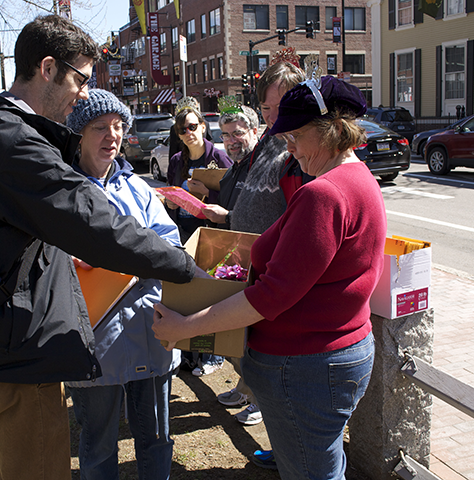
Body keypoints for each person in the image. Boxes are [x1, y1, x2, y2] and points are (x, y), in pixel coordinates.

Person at [0, 16, 200, 480]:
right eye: (79, 78)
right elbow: (95, 225)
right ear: (46, 68)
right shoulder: (12, 140)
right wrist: (187, 268)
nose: (82, 92)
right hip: (17, 351)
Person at [152, 73, 386, 480]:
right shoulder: (359, 178)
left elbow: (269, 296)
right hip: (334, 354)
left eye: (294, 135)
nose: (288, 146)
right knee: (321, 463)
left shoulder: (323, 193)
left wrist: (185, 326)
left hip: (307, 364)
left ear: (330, 130)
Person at [65, 89, 180, 480]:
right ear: (78, 134)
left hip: (151, 329)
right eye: (99, 127)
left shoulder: (139, 187)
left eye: (117, 127)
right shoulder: (61, 192)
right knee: (97, 444)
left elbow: (172, 242)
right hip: (94, 341)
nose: (111, 136)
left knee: (158, 438)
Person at [201, 60, 310, 429]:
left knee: (262, 353)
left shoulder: (298, 154)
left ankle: (261, 401)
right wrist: (226, 219)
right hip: (244, 260)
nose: (274, 115)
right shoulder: (263, 148)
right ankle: (253, 393)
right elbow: (251, 203)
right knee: (241, 343)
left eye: (282, 106)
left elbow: (301, 221)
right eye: (267, 108)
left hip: (277, 277)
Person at [165, 97, 232, 377]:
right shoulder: (177, 161)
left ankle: (213, 356)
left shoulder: (218, 158)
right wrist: (169, 203)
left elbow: (230, 197)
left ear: (203, 127)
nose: (188, 133)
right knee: (188, 294)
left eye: (193, 126)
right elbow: (171, 196)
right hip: (184, 231)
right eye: (182, 130)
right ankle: (191, 356)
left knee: (209, 296)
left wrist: (206, 192)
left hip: (211, 235)